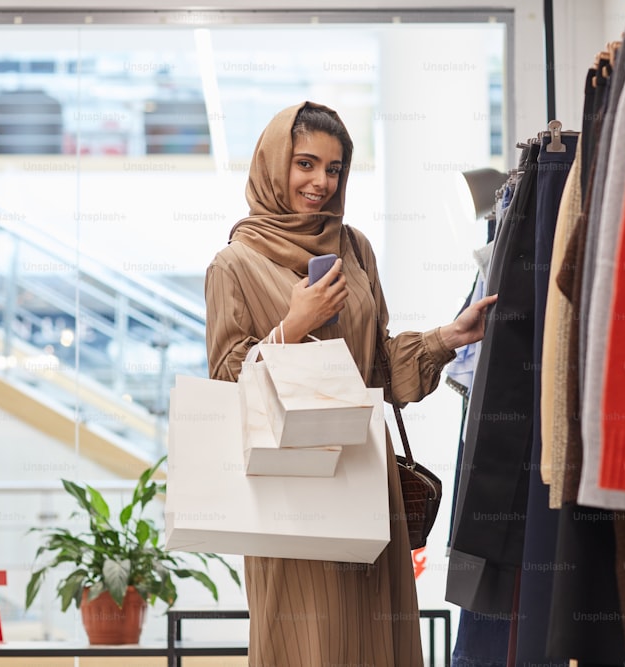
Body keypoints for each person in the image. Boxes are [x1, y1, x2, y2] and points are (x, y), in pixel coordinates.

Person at [204, 101, 497, 666]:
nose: (320, 182)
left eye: (334, 169)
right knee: (307, 639)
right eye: (305, 164)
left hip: (366, 473)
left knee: (373, 637)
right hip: (288, 483)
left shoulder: (354, 247)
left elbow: (380, 367)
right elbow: (226, 382)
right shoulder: (232, 265)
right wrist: (295, 324)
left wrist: (448, 336)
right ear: (273, 165)